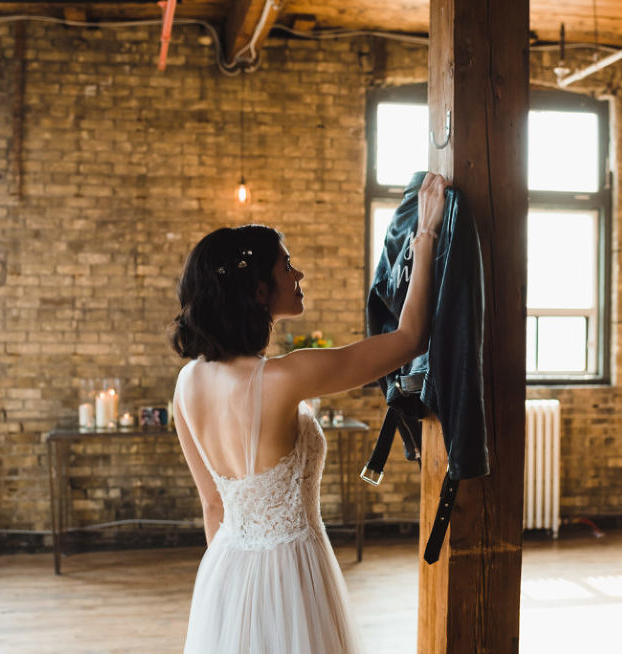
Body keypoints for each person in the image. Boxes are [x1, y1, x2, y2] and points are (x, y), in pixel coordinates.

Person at [169, 172, 447, 653]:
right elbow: (409, 340)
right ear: (258, 290)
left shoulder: (187, 381)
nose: (298, 276)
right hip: (293, 572)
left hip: (225, 568)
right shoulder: (281, 378)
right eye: (287, 266)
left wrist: (232, 602)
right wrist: (425, 236)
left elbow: (213, 506)